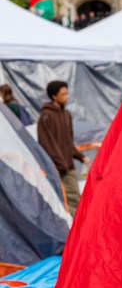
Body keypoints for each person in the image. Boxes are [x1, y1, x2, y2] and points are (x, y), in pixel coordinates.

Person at [38, 81, 90, 216]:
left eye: (67, 93)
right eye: (63, 94)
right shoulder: (46, 117)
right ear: (54, 96)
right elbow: (47, 145)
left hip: (68, 165)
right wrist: (62, 164)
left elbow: (68, 142)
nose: (66, 96)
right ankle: (76, 230)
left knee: (75, 199)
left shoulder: (66, 115)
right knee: (69, 201)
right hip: (58, 168)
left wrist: (80, 156)